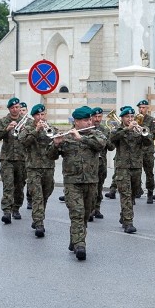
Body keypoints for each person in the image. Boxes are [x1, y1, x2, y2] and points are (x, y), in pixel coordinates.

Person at [48, 106, 107, 261]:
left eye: (90, 119)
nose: (89, 122)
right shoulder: (66, 137)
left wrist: (82, 138)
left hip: (91, 181)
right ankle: (80, 244)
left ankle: (74, 238)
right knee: (77, 213)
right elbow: (50, 156)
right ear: (76, 122)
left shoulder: (96, 134)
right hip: (72, 182)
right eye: (86, 120)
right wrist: (55, 144)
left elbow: (101, 144)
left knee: (86, 214)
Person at [111, 106, 152, 234]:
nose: (130, 119)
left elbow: (149, 142)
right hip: (122, 167)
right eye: (127, 117)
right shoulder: (117, 129)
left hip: (136, 167)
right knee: (125, 194)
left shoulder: (139, 130)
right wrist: (126, 129)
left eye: (132, 117)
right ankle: (128, 222)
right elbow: (112, 140)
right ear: (122, 118)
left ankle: (124, 214)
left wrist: (143, 133)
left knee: (134, 193)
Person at [17, 104, 55, 238]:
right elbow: (23, 142)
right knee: (37, 196)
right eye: (38, 115)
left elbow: (56, 142)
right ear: (33, 116)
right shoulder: (27, 128)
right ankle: (39, 223)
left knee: (46, 194)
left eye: (43, 114)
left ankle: (37, 217)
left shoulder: (51, 127)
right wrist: (36, 131)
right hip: (33, 168)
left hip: (49, 167)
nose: (41, 117)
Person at [0, 97, 27, 224]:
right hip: (7, 159)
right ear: (9, 109)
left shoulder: (25, 122)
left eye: (17, 107)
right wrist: (6, 129)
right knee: (8, 185)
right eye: (13, 108)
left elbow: (31, 138)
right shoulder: (3, 121)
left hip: (22, 159)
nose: (15, 109)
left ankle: (16, 208)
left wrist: (25, 131)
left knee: (19, 186)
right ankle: (6, 211)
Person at [136, 99, 155, 202]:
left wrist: (145, 131)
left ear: (147, 108)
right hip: (138, 150)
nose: (141, 109)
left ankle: (150, 193)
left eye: (143, 107)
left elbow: (154, 134)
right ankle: (138, 190)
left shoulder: (151, 120)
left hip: (148, 150)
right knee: (136, 172)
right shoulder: (135, 119)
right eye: (140, 108)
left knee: (149, 172)